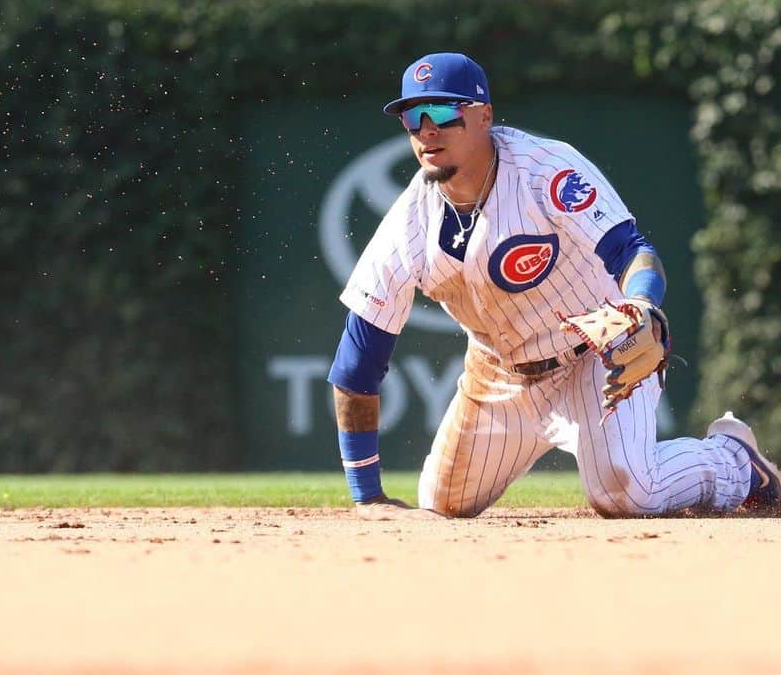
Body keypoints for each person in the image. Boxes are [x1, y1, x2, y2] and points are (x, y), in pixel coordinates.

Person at [329, 52, 779, 518]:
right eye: (411, 116)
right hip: (500, 375)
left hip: (597, 360)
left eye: (443, 112)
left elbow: (632, 250)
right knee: (440, 505)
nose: (426, 129)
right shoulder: (408, 224)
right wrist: (367, 497)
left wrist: (642, 306)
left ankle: (732, 460)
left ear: (484, 116)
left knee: (626, 495)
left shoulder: (546, 171)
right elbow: (358, 363)